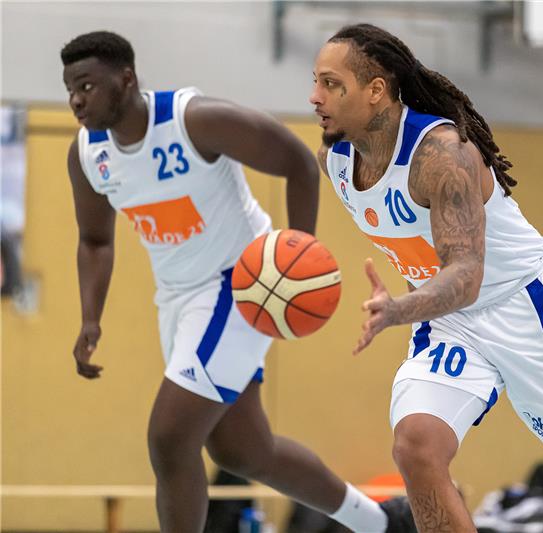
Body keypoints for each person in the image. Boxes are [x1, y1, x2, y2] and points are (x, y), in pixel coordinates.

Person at [310, 23, 543, 533]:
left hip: (529, 308)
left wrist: (397, 310)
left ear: (376, 91)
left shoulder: (442, 155)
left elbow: (466, 275)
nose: (314, 96)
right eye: (315, 82)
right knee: (416, 447)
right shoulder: (337, 161)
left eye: (330, 83)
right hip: (450, 323)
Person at [62, 31, 412, 533]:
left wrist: (297, 258)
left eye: (87, 86)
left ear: (126, 79)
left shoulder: (193, 121)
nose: (76, 99)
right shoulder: (87, 155)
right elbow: (95, 240)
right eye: (70, 88)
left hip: (240, 283)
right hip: (178, 299)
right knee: (244, 451)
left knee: (169, 437)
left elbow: (296, 161)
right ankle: (381, 523)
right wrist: (90, 318)